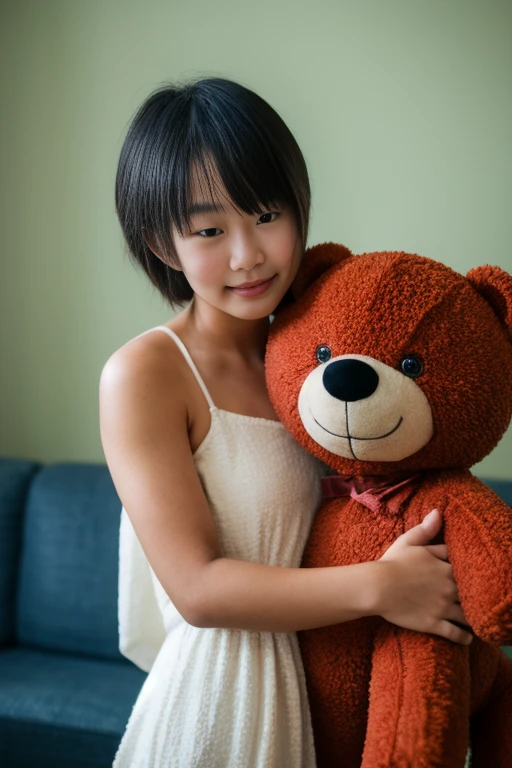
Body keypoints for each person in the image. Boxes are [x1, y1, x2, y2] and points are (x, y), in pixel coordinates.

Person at [99, 76, 473, 768]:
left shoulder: (317, 357)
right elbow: (199, 589)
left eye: (266, 214)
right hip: (224, 700)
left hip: (330, 693)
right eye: (210, 229)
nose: (248, 254)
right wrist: (384, 586)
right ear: (161, 240)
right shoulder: (146, 373)